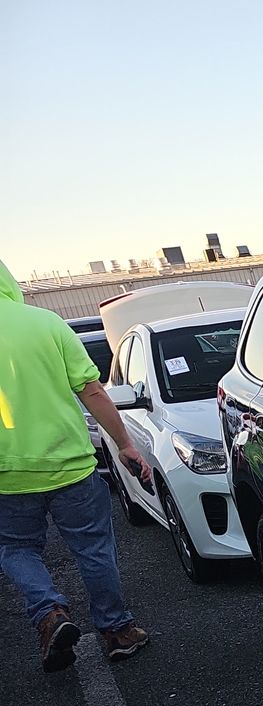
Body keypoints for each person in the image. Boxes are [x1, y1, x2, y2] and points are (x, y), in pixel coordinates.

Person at [0, 258, 153, 671]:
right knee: (93, 548)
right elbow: (92, 390)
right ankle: (117, 631)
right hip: (70, 463)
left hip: (7, 476)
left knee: (14, 547)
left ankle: (49, 612)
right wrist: (124, 445)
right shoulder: (45, 323)